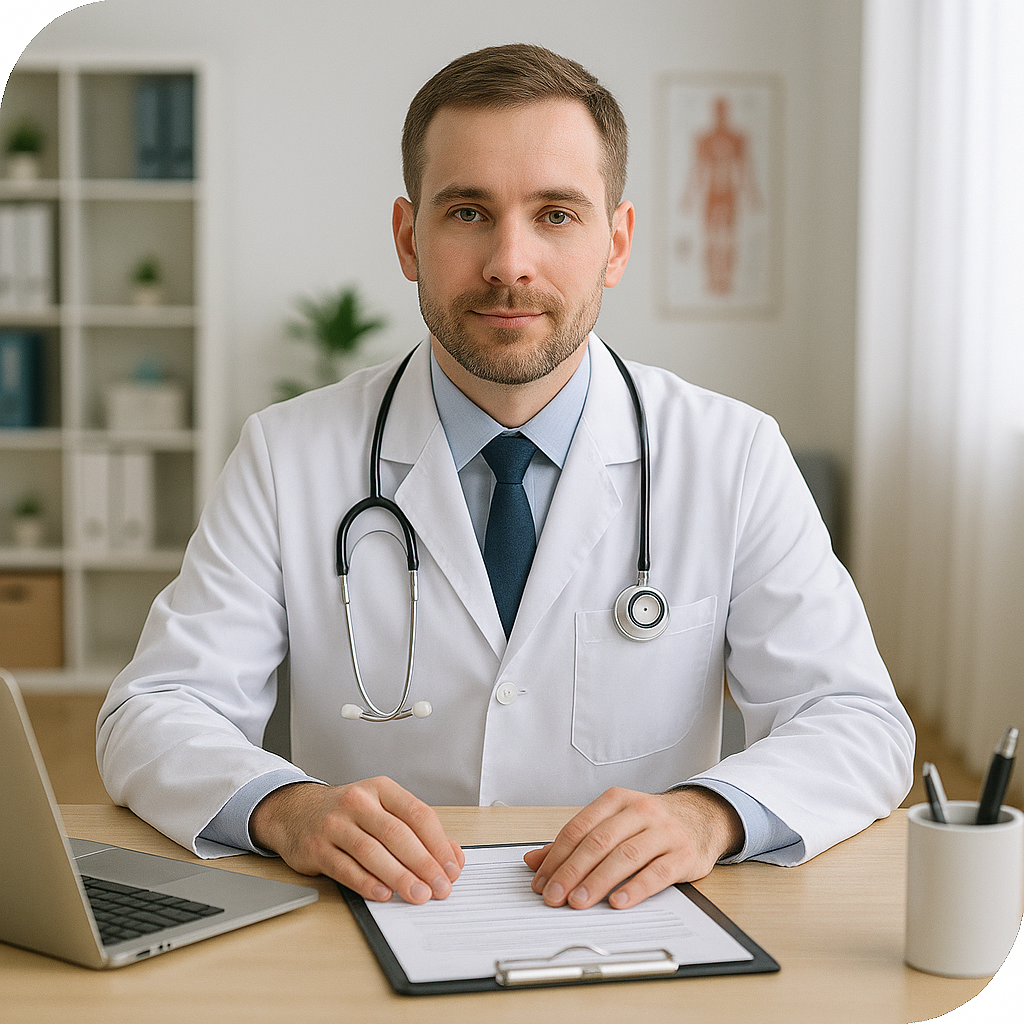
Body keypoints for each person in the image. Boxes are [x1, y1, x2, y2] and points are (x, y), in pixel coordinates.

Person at [97, 43, 914, 915]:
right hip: (365, 927)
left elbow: (858, 723)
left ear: (617, 242)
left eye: (557, 214)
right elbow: (153, 710)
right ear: (411, 239)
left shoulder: (734, 456)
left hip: (637, 930)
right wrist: (286, 810)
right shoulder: (286, 455)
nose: (510, 262)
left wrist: (708, 817)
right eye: (468, 213)